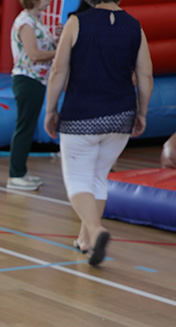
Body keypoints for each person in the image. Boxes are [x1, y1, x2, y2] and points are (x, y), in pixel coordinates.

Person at [44, 0, 152, 265]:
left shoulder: (76, 22)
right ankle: (86, 241)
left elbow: (59, 70)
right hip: (120, 116)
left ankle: (96, 230)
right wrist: (142, 112)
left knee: (78, 180)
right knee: (98, 178)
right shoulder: (135, 26)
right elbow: (145, 74)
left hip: (81, 114)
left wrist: (50, 110)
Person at [7, 0, 57, 191]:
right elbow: (34, 54)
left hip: (37, 80)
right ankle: (15, 174)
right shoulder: (26, 22)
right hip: (27, 80)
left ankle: (20, 171)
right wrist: (60, 51)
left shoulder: (37, 20)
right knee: (24, 126)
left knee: (27, 126)